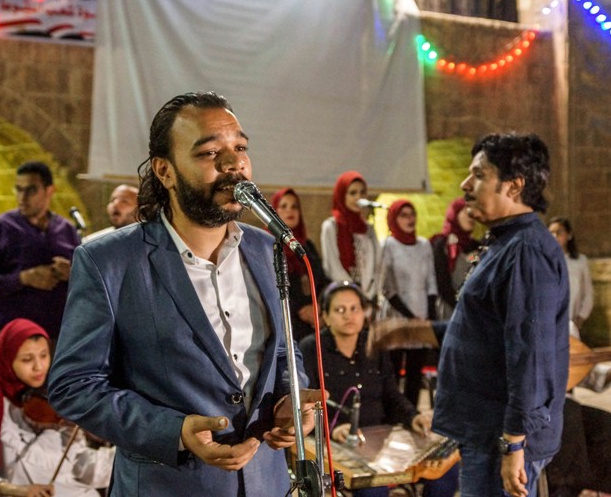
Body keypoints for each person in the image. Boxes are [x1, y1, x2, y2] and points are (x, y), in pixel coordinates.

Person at [47, 91, 322, 496]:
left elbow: (283, 351)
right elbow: (74, 385)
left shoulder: (266, 249)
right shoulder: (109, 261)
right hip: (166, 485)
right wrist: (174, 431)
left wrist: (288, 400)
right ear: (165, 171)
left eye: (240, 148)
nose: (233, 164)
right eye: (210, 152)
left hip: (265, 482)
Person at [431, 132, 570, 497]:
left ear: (514, 186)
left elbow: (530, 357)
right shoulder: (505, 242)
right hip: (486, 430)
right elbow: (485, 329)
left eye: (479, 175)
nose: (465, 184)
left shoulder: (526, 252)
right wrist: (414, 331)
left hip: (501, 439)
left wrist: (514, 442)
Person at [300, 281, 458, 497]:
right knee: (374, 488)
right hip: (338, 443)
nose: (349, 316)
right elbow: (307, 404)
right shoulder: (311, 347)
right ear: (325, 317)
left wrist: (413, 417)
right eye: (340, 310)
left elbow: (392, 394)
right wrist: (332, 429)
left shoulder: (373, 343)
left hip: (380, 437)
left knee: (445, 472)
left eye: (354, 309)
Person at [0, 318, 114, 496]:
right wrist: (12, 490)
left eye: (44, 355)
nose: (39, 367)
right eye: (27, 359)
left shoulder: (57, 396)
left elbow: (79, 465)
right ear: (7, 359)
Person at [544, 216, 611, 497]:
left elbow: (590, 379)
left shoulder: (568, 327)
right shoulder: (518, 323)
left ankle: (571, 490)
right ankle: (560, 488)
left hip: (562, 409)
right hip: (531, 410)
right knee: (569, 412)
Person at [0, 161, 80, 347]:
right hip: (13, 336)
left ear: (49, 191)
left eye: (31, 190)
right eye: (18, 189)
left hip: (59, 337)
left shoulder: (67, 230)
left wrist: (73, 273)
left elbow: (89, 283)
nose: (22, 197)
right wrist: (24, 278)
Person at [379, 199, 438, 406]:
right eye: (403, 215)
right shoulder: (388, 245)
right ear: (394, 219)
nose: (410, 219)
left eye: (412, 214)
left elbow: (431, 280)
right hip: (397, 312)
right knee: (394, 367)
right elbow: (386, 284)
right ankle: (393, 411)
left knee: (416, 367)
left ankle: (411, 412)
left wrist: (429, 316)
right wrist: (409, 315)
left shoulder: (424, 245)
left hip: (421, 311)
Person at [271, 187, 329, 342]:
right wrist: (300, 310)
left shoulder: (306, 245)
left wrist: (320, 308)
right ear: (274, 212)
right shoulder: (269, 244)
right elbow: (270, 285)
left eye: (294, 206)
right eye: (283, 206)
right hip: (286, 320)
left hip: (315, 320)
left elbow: (321, 279)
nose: (290, 210)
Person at [320, 170, 381, 303]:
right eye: (353, 193)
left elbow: (377, 265)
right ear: (342, 195)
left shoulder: (368, 229)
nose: (359, 198)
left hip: (368, 297)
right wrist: (353, 293)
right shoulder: (331, 226)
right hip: (342, 296)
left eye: (362, 193)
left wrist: (368, 294)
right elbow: (332, 266)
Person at [430, 197, 479, 318]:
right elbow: (442, 283)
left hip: (473, 310)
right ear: (455, 214)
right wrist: (460, 307)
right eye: (467, 212)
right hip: (449, 310)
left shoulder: (475, 245)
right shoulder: (442, 244)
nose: (471, 216)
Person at [548, 216, 593, 339]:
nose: (555, 236)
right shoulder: (542, 261)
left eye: (559, 232)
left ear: (569, 235)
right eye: (551, 233)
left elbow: (588, 293)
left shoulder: (580, 261)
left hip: (570, 322)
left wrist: (581, 318)